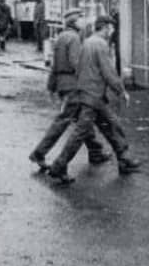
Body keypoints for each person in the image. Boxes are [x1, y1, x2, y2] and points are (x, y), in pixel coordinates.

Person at [45, 15, 141, 185]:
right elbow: (108, 71)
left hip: (88, 93)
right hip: (93, 95)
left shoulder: (87, 41)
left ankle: (124, 159)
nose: (112, 31)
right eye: (111, 28)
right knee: (82, 132)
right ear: (105, 27)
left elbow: (80, 68)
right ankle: (59, 166)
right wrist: (121, 91)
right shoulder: (100, 44)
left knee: (112, 125)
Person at [28, 9, 110, 171]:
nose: (84, 21)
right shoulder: (73, 38)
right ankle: (39, 153)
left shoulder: (61, 37)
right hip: (73, 85)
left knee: (83, 120)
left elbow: (54, 64)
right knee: (65, 121)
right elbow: (76, 64)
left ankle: (95, 151)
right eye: (81, 18)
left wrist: (51, 86)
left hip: (63, 84)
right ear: (75, 22)